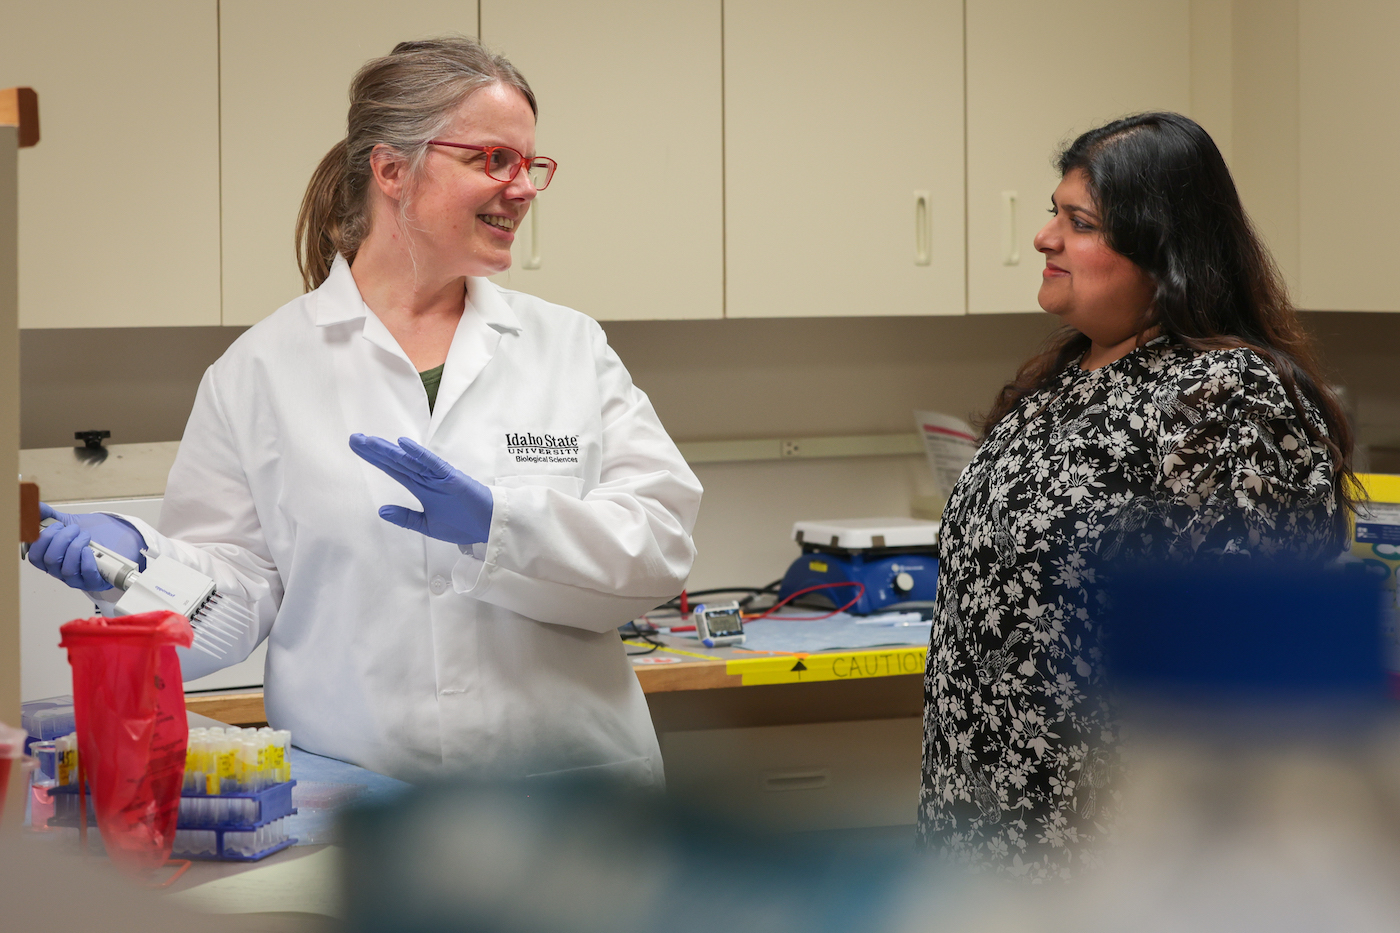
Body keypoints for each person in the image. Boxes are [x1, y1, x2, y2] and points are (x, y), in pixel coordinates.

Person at [27, 37, 702, 787]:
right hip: (360, 802)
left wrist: (500, 527)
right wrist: (135, 566)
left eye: (530, 165)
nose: (523, 188)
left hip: (571, 799)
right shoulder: (261, 370)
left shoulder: (567, 347)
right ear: (390, 170)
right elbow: (230, 607)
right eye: (493, 160)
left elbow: (660, 551)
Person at [918, 112, 1355, 879]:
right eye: (1055, 213)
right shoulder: (1057, 381)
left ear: (1165, 252)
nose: (1044, 237)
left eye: (1077, 221)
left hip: (1115, 860)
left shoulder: (1226, 399)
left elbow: (1254, 681)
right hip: (985, 845)